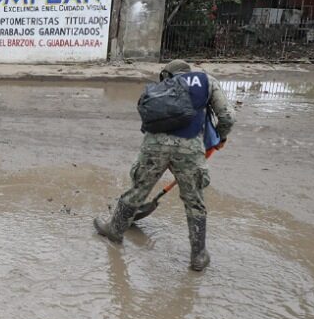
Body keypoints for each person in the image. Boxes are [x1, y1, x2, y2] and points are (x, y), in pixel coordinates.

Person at [93, 59, 235, 272]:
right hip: (189, 147)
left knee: (139, 188)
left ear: (167, 74)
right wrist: (221, 137)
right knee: (194, 200)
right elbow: (227, 117)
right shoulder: (206, 81)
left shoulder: (160, 87)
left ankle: (115, 229)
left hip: (154, 144)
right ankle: (198, 256)